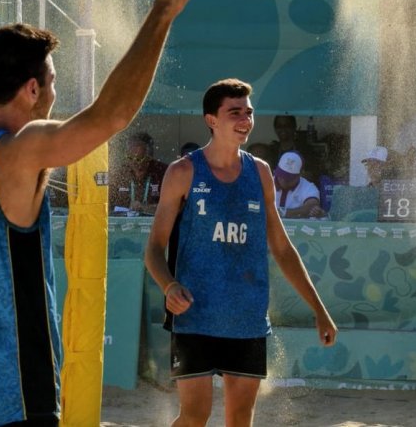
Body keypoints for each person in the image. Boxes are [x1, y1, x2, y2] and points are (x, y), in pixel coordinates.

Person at [0, 0, 193, 426]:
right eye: (52, 82)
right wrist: (162, 12)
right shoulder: (19, 151)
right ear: (32, 88)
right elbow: (112, 114)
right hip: (16, 384)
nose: (55, 93)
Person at [144, 78, 337, 427]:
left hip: (247, 318)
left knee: (239, 419)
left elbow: (282, 247)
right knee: (194, 415)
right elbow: (154, 249)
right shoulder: (184, 171)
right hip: (195, 317)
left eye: (248, 112)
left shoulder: (261, 173)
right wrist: (169, 286)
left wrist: (319, 310)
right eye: (235, 112)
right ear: (211, 120)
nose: (245, 120)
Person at [109, 132, 168, 216]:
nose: (134, 163)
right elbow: (106, 206)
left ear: (149, 157)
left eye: (139, 159)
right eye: (130, 158)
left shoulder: (163, 172)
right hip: (122, 226)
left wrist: (144, 208)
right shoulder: (119, 174)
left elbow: (172, 208)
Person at [328, 146, 386, 222]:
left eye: (376, 164)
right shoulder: (363, 193)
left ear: (386, 167)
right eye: (368, 164)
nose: (371, 168)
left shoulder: (392, 191)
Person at [273, 151, 325, 219]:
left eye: (288, 178)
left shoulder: (308, 187)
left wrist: (282, 212)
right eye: (281, 174)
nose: (283, 179)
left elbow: (311, 206)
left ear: (300, 174)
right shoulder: (265, 182)